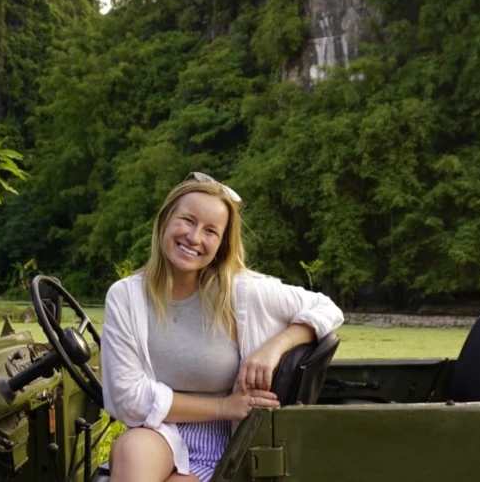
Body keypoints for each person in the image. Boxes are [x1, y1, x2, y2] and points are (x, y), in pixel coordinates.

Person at [102, 172, 344, 482]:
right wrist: (222, 406)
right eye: (188, 221)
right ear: (165, 220)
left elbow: (327, 308)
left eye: (210, 231)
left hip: (226, 440)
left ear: (220, 244)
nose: (194, 238)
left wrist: (275, 346)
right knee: (130, 449)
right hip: (159, 429)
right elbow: (127, 398)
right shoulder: (126, 296)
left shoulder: (241, 292)